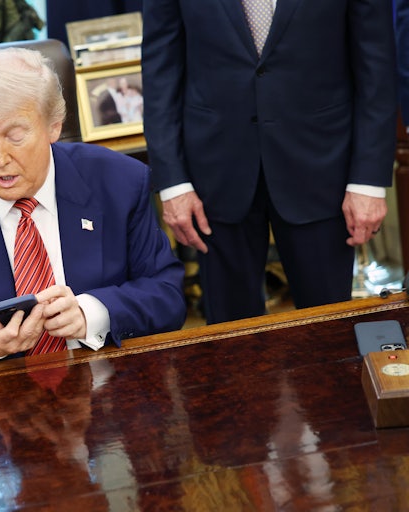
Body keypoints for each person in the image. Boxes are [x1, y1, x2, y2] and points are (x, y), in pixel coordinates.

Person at [0, 47, 186, 377]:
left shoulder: (120, 183)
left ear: (53, 126)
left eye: (15, 136)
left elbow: (166, 296)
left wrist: (91, 314)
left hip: (109, 394)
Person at [142, 0, 397, 324]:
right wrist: (173, 183)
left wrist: (368, 181)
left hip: (321, 165)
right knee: (229, 339)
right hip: (214, 172)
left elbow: (377, 67)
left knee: (329, 334)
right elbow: (159, 68)